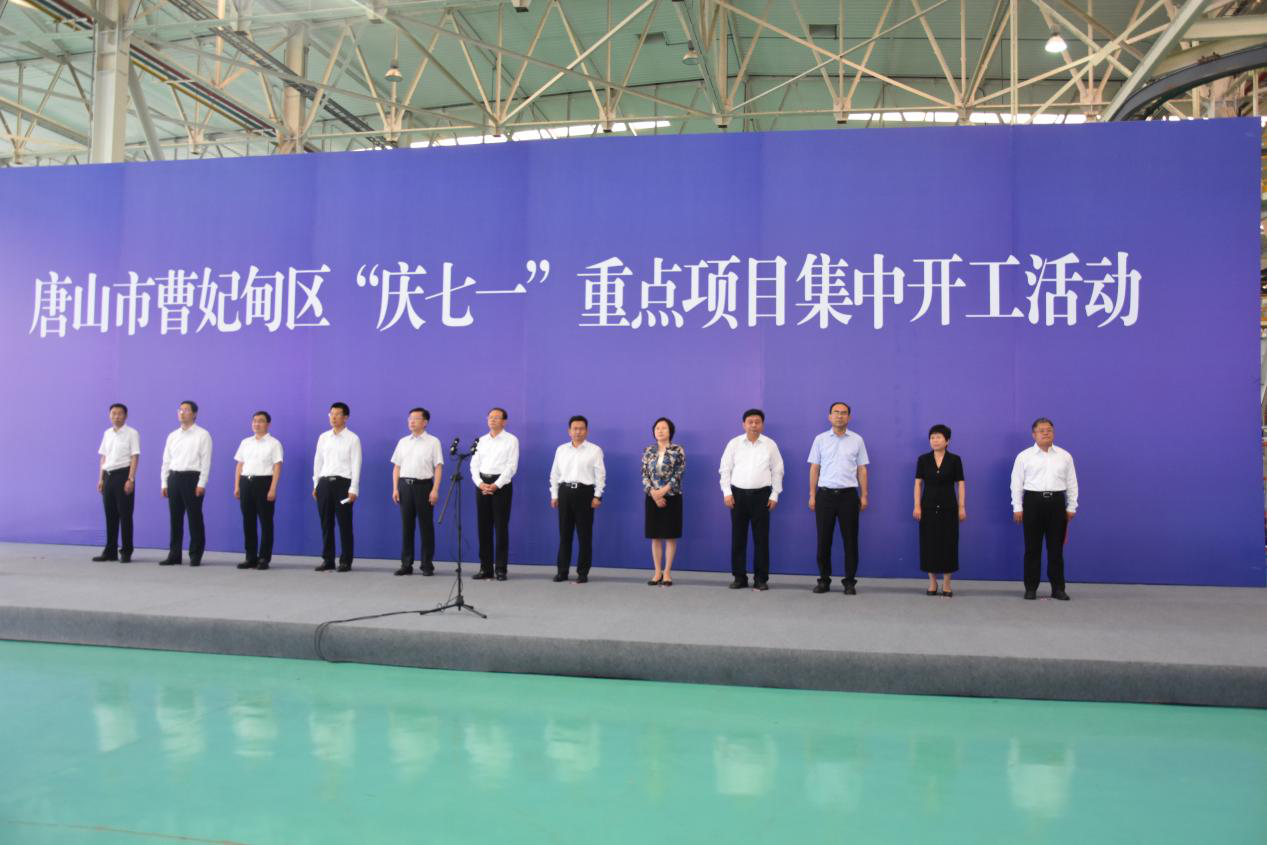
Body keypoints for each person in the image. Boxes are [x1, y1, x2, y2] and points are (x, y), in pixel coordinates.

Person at [1010, 417, 1078, 601]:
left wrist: (1072, 505)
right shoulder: (1024, 456)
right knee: (1032, 548)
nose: (1046, 433)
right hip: (1033, 502)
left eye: (1049, 430)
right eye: (1042, 430)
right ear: (1034, 434)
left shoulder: (1065, 456)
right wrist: (1017, 507)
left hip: (1057, 503)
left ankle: (1058, 588)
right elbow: (1016, 483)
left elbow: (1072, 482)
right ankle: (1031, 588)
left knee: (1056, 549)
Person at [807, 402, 869, 595]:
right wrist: (812, 495)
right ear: (829, 416)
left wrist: (864, 495)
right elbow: (814, 468)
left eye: (843, 413)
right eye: (836, 412)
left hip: (848, 496)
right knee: (823, 540)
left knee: (850, 541)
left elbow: (862, 469)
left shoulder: (857, 440)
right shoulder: (820, 439)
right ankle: (824, 580)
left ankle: (849, 582)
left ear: (849, 417)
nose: (839, 416)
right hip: (824, 495)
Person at [719, 408, 784, 591]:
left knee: (761, 539)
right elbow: (725, 469)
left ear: (762, 424)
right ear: (744, 424)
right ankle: (739, 577)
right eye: (750, 422)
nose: (754, 425)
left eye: (757, 422)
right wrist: (727, 492)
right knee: (738, 538)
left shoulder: (770, 445)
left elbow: (778, 470)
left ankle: (761, 578)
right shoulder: (734, 443)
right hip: (737, 496)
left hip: (762, 496)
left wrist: (775, 494)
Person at [549, 415, 605, 584]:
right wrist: (554, 495)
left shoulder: (595, 450)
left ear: (586, 431)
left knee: (584, 536)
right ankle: (562, 571)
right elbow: (554, 474)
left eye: (581, 428)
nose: (578, 431)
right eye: (575, 428)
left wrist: (597, 495)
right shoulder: (561, 449)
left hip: (585, 494)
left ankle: (583, 572)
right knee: (564, 535)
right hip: (565, 492)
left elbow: (600, 475)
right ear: (569, 431)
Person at [390, 407, 443, 576]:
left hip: (424, 486)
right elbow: (397, 467)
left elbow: (438, 467)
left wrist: (435, 489)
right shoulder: (403, 442)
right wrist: (395, 488)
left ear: (425, 422)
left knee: (426, 527)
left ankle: (427, 564)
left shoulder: (433, 442)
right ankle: (406, 564)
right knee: (407, 527)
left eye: (416, 418)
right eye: (410, 418)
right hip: (404, 486)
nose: (411, 421)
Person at [913, 424, 965, 597]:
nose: (935, 440)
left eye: (939, 437)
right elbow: (918, 484)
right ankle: (932, 582)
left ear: (947, 440)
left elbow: (961, 484)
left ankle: (947, 583)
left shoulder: (955, 460)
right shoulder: (923, 459)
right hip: (927, 508)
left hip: (949, 508)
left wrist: (961, 507)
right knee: (929, 544)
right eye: (932, 437)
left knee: (948, 544)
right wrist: (917, 505)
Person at [159, 400, 212, 566]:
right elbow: (166, 461)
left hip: (192, 478)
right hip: (174, 478)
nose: (182, 413)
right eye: (180, 410)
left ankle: (195, 554)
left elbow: (206, 461)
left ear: (194, 414)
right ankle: (174, 554)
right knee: (175, 519)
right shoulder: (172, 436)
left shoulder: (203, 435)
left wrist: (202, 483)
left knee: (194, 517)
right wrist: (164, 483)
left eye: (186, 410)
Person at [470, 407, 518, 581]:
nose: (492, 420)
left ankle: (501, 569)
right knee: (483, 528)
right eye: (490, 417)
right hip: (482, 484)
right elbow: (474, 465)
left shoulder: (511, 440)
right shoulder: (481, 440)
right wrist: (479, 483)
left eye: (497, 417)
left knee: (501, 528)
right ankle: (485, 568)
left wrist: (496, 485)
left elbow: (511, 467)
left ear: (504, 421)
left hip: (501, 486)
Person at [312, 402, 361, 572]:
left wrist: (353, 488)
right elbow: (318, 461)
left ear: (345, 417)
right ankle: (328, 559)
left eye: (337, 414)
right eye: (331, 414)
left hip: (343, 485)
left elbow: (356, 464)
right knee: (326, 523)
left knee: (344, 523)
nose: (333, 417)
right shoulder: (323, 437)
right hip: (324, 483)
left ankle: (346, 561)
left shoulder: (353, 439)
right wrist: (316, 484)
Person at [233, 411, 283, 571]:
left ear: (268, 424)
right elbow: (240, 465)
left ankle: (264, 558)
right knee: (248, 522)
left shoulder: (274, 443)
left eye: (260, 421)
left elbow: (277, 466)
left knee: (266, 522)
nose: (256, 424)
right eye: (254, 421)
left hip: (264, 483)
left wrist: (273, 488)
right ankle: (250, 557)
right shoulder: (245, 442)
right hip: (246, 482)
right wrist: (237, 486)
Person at [642, 417, 685, 586]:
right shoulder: (648, 450)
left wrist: (663, 492)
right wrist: (654, 493)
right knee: (655, 536)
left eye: (664, 428)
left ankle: (667, 572)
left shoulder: (678, 450)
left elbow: (679, 473)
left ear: (670, 431)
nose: (660, 431)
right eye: (657, 428)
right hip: (652, 497)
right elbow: (644, 474)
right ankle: (657, 572)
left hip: (672, 497)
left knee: (670, 536)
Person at [94, 403, 139, 563]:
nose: (116, 416)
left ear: (125, 416)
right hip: (108, 476)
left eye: (120, 413)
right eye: (113, 413)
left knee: (125, 515)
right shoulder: (107, 433)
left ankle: (126, 551)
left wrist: (131, 479)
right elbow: (103, 457)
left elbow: (134, 457)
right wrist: (101, 479)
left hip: (123, 475)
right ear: (109, 415)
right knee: (110, 515)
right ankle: (110, 550)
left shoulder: (132, 433)